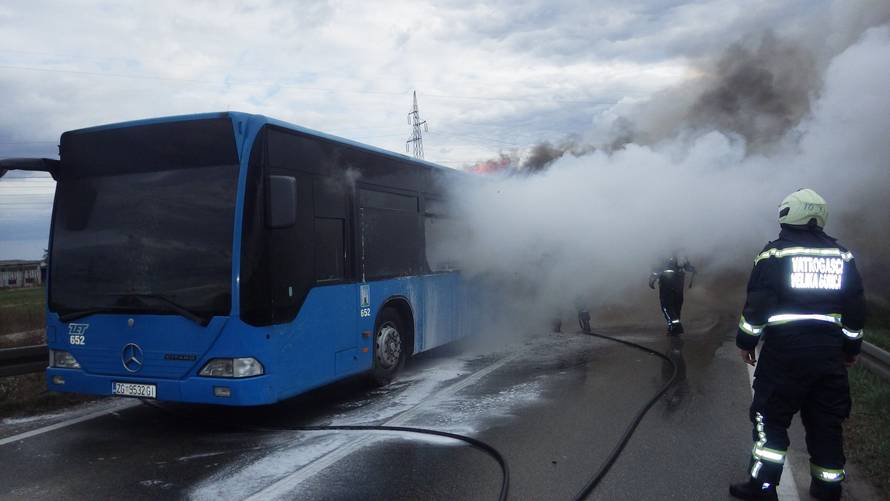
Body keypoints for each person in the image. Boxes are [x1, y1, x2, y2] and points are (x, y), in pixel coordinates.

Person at [729, 189, 866, 501]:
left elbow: (757, 307)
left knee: (770, 419)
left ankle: (762, 488)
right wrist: (850, 349)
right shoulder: (842, 256)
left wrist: (745, 341)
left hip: (784, 355)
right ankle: (828, 487)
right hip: (829, 355)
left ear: (788, 214)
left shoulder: (774, 255)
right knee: (826, 423)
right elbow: (855, 309)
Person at [649, 253, 696, 335]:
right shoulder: (681, 254)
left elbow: (658, 269)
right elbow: (688, 267)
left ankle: (675, 326)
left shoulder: (664, 253)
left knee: (667, 306)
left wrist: (652, 279)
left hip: (666, 283)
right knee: (676, 305)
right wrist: (692, 270)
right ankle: (673, 327)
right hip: (679, 283)